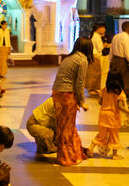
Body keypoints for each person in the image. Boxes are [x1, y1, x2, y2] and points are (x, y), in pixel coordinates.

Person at [52, 36, 94, 166]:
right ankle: (66, 157)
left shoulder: (69, 57)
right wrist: (82, 102)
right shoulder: (82, 60)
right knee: (67, 128)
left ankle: (73, 151)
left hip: (57, 93)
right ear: (88, 48)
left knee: (62, 126)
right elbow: (80, 83)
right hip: (67, 95)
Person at [87, 70, 129, 160]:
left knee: (101, 134)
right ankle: (115, 155)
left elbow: (100, 102)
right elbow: (120, 106)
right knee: (114, 135)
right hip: (113, 116)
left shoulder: (104, 90)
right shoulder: (120, 93)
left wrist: (107, 102)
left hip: (103, 115)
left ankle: (90, 148)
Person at [109, 21, 129, 97]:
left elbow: (111, 51)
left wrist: (110, 62)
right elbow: (127, 53)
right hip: (122, 62)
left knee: (116, 80)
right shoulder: (126, 38)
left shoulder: (116, 36)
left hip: (114, 60)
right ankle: (123, 98)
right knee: (124, 80)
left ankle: (116, 97)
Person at [85, 23, 105, 94]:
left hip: (92, 55)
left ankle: (91, 88)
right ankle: (94, 88)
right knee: (96, 73)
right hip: (96, 56)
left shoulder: (92, 35)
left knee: (92, 73)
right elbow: (100, 48)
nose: (104, 30)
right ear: (98, 29)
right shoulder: (97, 36)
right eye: (102, 28)